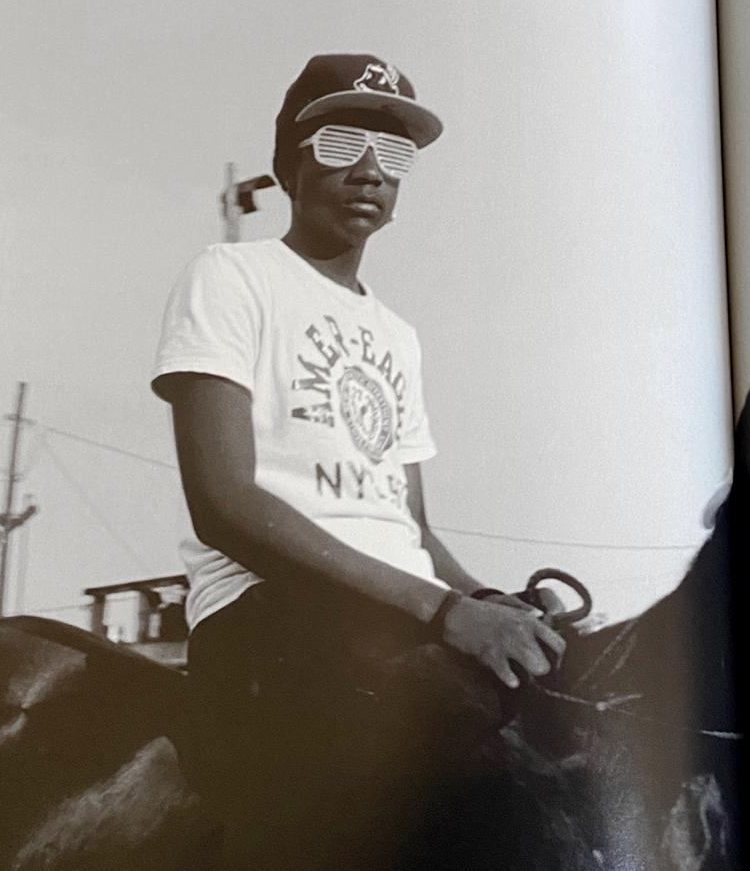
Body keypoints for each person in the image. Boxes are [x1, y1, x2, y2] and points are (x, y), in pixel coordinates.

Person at [152, 53, 567, 871]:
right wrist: (447, 616)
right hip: (272, 615)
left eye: (397, 154)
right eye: (344, 141)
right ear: (292, 160)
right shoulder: (231, 276)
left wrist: (485, 598)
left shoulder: (399, 336)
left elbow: (409, 526)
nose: (372, 170)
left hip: (401, 616)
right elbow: (225, 504)